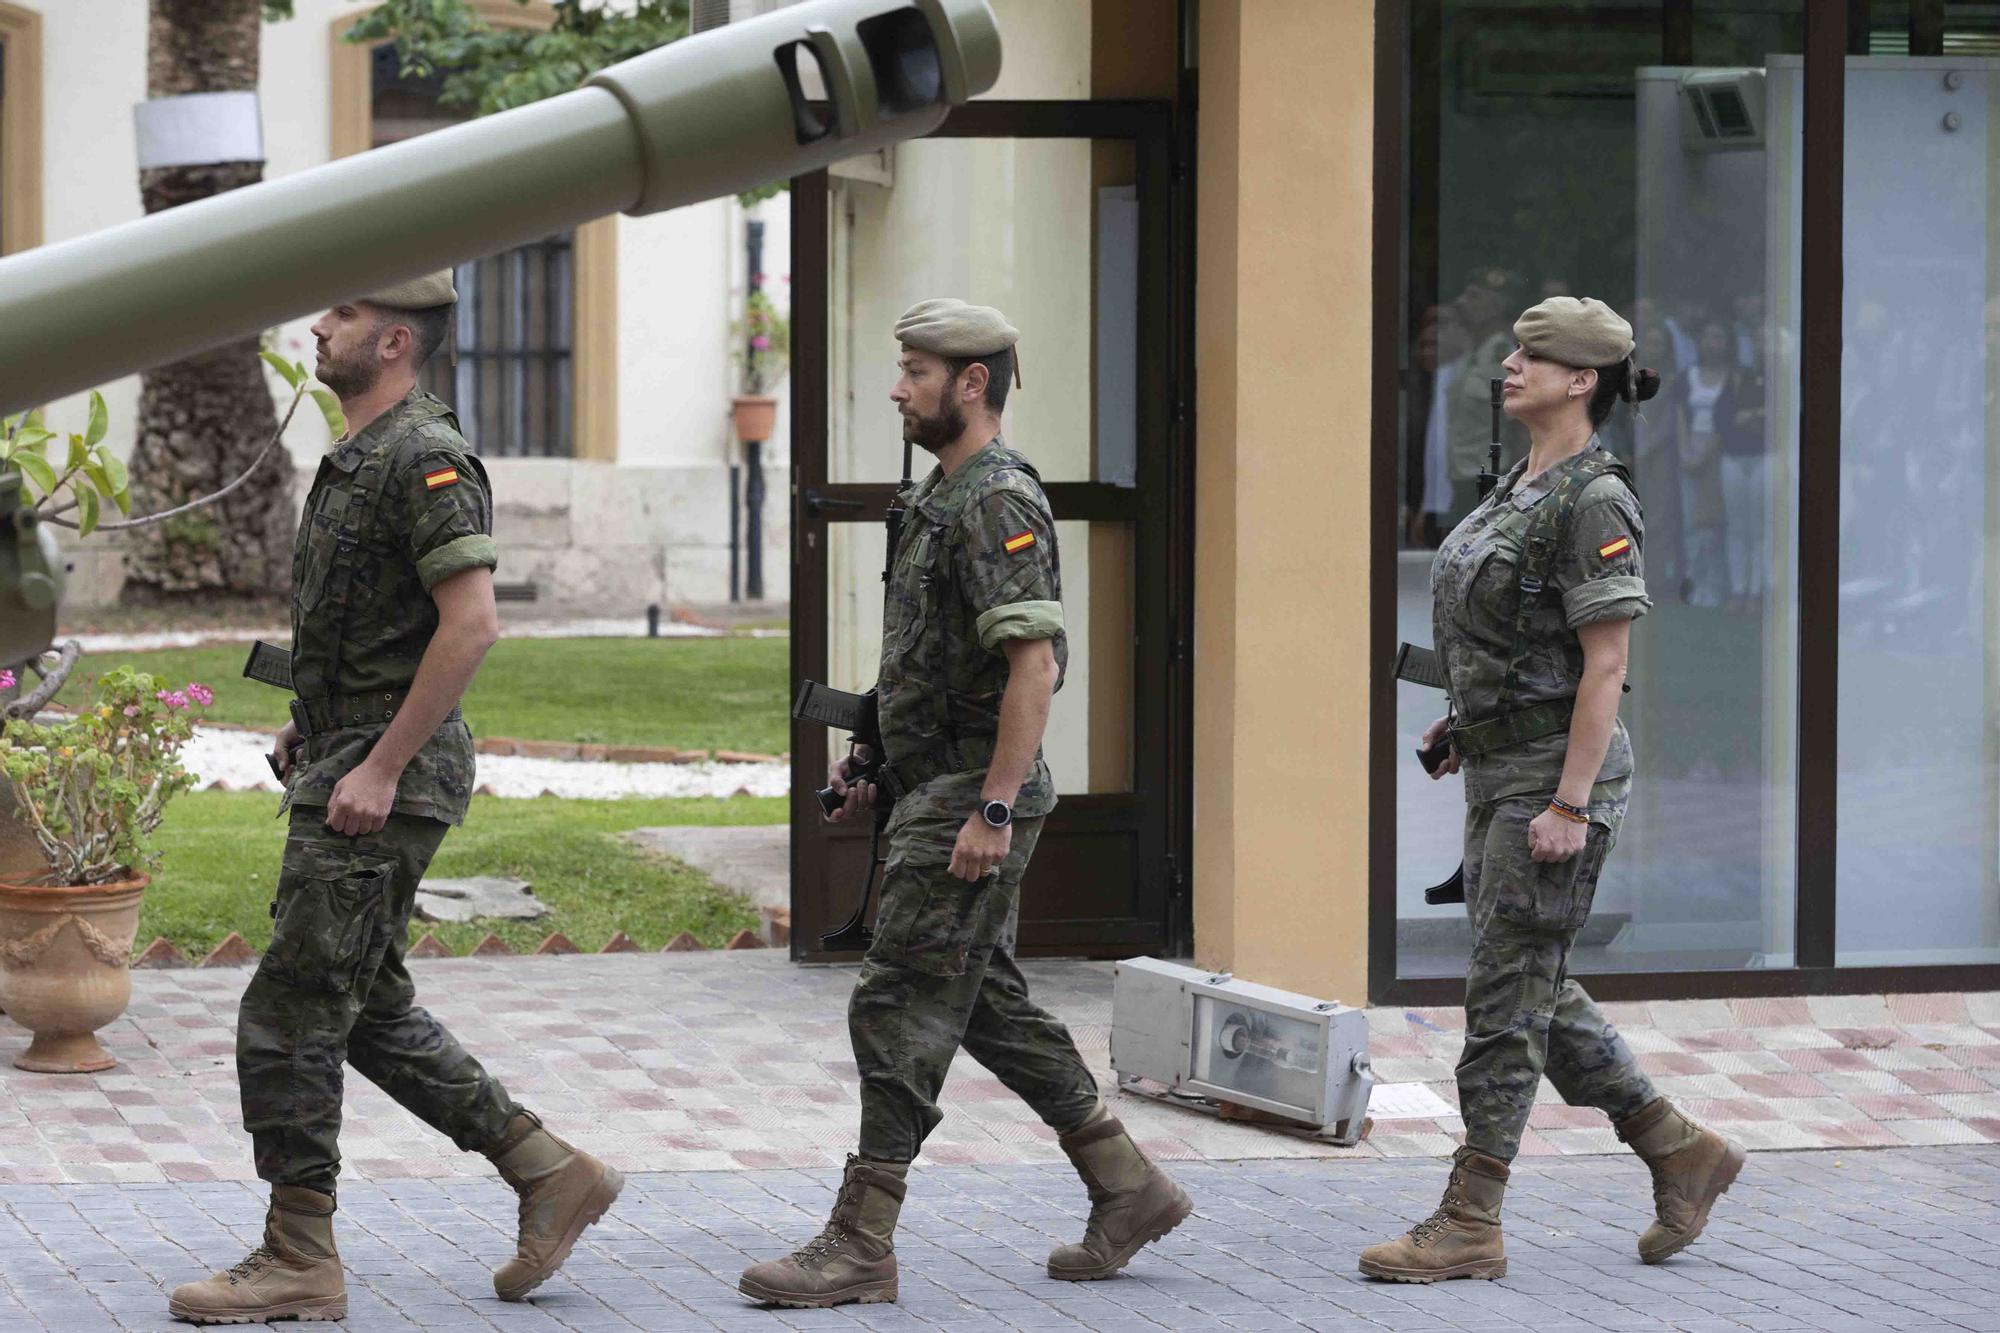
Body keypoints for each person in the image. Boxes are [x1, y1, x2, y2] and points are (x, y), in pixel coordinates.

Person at [168, 272, 620, 1325]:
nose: (317, 327)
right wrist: (311, 719)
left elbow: (471, 626)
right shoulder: (361, 454)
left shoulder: (423, 455)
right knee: (361, 1003)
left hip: (384, 780)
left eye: (340, 315)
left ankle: (298, 1260)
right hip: (346, 755)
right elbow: (375, 627)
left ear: (393, 342)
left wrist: (375, 766)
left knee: (287, 1012)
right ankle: (547, 1170)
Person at [737, 299, 1191, 1310]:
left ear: (971, 382)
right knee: (979, 996)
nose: (896, 388)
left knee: (896, 996)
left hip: (970, 792)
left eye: (914, 370)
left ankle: (860, 1241)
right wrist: (869, 750)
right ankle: (1128, 1186)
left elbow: (1032, 664)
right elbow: (922, 657)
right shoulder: (938, 496)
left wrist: (989, 808)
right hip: (931, 778)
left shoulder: (997, 499)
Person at [1359, 297, 1744, 1284]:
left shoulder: (1592, 500)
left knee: (1502, 998)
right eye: (1514, 354)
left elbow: (1603, 664)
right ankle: (1676, 1147)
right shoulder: (1517, 484)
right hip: (1503, 764)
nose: (1510, 367)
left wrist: (1568, 803)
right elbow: (1511, 639)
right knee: (1525, 981)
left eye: (1535, 357)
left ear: (1583, 381)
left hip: (1551, 781)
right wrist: (1464, 724)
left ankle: (1468, 1218)